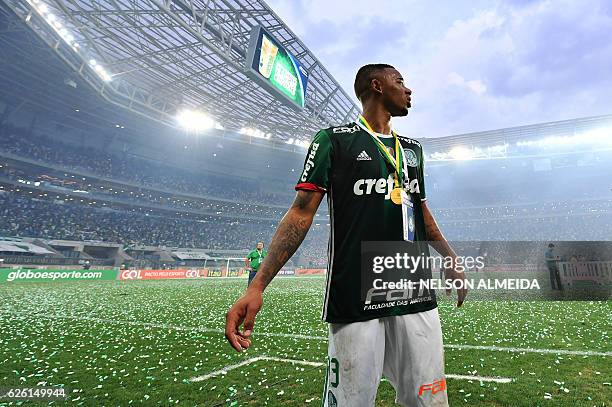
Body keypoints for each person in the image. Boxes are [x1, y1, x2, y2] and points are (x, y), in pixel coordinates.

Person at [225, 64, 466, 406]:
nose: (408, 90)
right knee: (351, 401)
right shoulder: (334, 140)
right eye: (400, 82)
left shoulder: (412, 150)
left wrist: (451, 259)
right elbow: (301, 212)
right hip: (356, 294)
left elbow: (420, 211)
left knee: (429, 401)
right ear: (376, 86)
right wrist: (257, 285)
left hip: (415, 290)